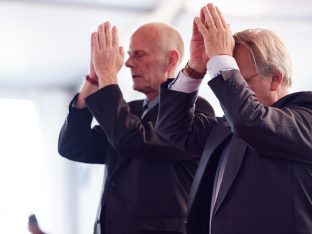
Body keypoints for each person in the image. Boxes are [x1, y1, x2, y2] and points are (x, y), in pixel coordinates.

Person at [156, 3, 312, 234]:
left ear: (275, 79)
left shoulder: (304, 117)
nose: (227, 95)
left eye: (241, 80)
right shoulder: (227, 127)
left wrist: (222, 60)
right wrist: (195, 68)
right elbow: (171, 130)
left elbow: (250, 121)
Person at [58, 21, 215, 234]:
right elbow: (73, 145)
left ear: (171, 59)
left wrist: (108, 78)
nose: (129, 63)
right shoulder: (129, 110)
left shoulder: (194, 112)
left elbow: (131, 139)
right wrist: (94, 78)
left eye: (139, 55)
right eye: (129, 54)